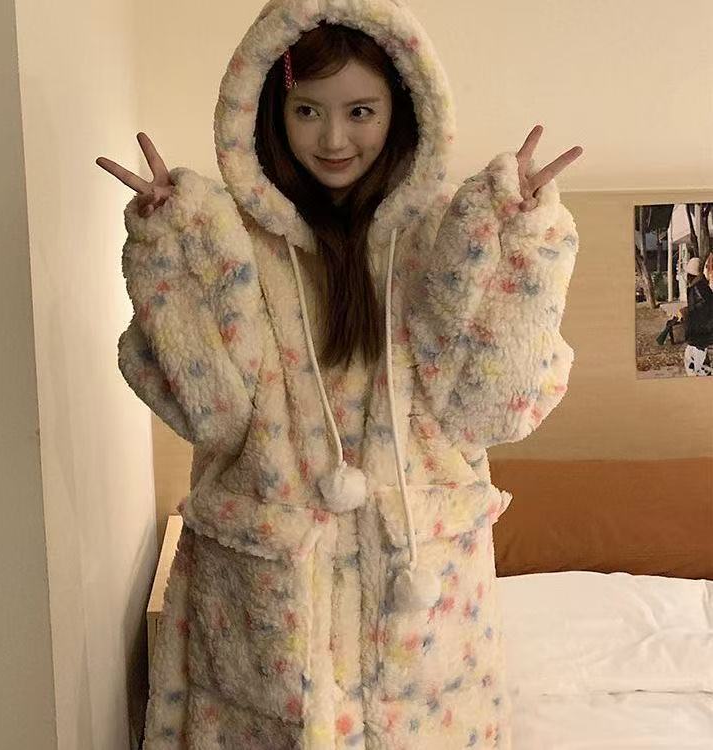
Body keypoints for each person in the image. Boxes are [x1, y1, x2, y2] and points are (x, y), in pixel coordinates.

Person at [97, 2, 582, 747]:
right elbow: (213, 415)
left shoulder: (444, 241)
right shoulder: (234, 244)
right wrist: (175, 253)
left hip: (419, 621)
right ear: (270, 111)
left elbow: (491, 410)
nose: (333, 139)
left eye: (360, 111)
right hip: (268, 616)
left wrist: (520, 252)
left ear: (403, 109)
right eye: (307, 111)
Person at [681, 257, 713, 376]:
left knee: (698, 368)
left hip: (700, 334)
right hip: (701, 334)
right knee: (693, 361)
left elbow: (700, 312)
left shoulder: (697, 289)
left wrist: (687, 313)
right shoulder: (701, 286)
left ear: (690, 275)